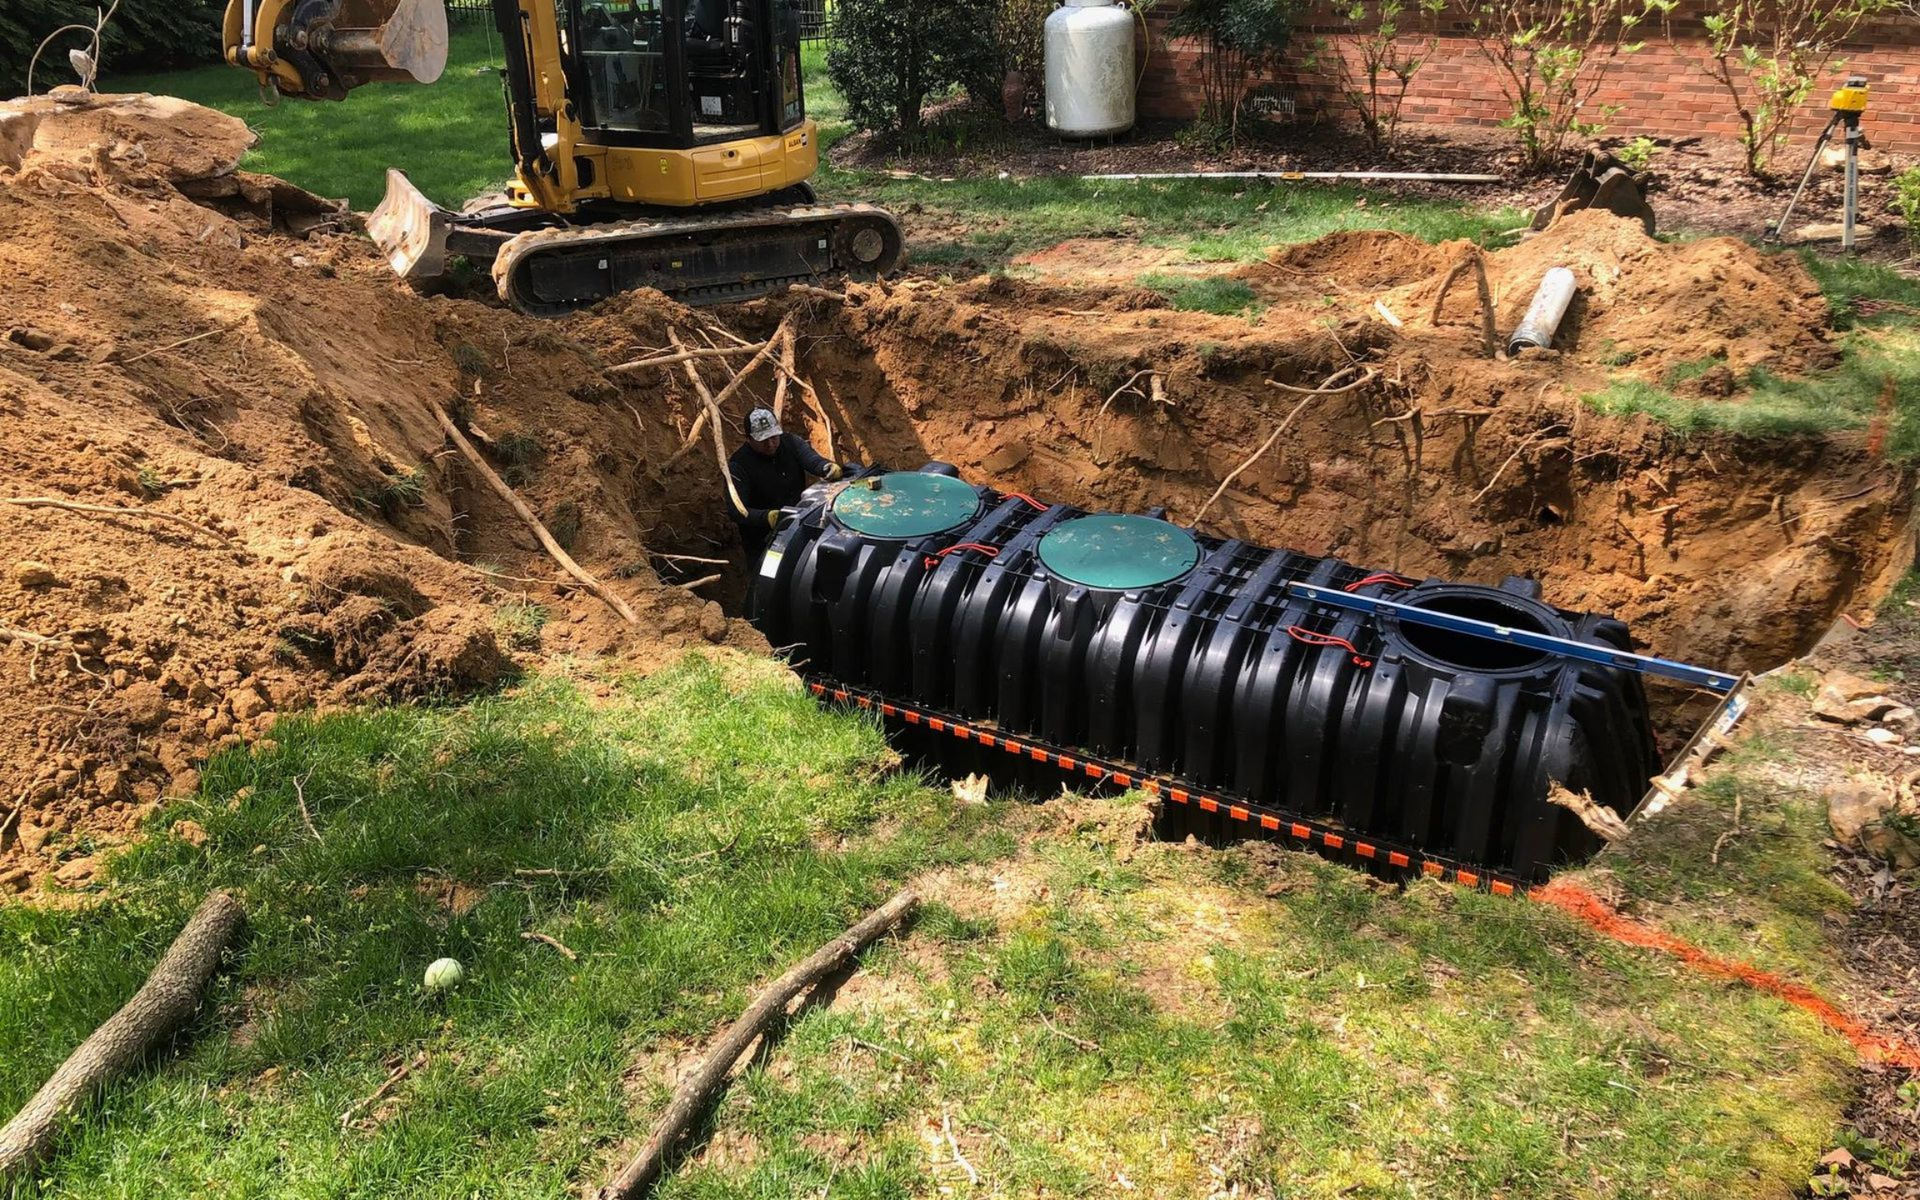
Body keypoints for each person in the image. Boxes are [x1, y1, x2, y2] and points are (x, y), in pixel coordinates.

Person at [728, 407, 844, 558]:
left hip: (798, 526)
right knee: (770, 577)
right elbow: (735, 510)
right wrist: (767, 517)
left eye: (773, 437)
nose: (770, 444)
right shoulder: (738, 465)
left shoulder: (790, 442)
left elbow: (811, 460)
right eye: (763, 440)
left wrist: (826, 467)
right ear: (748, 439)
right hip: (763, 541)